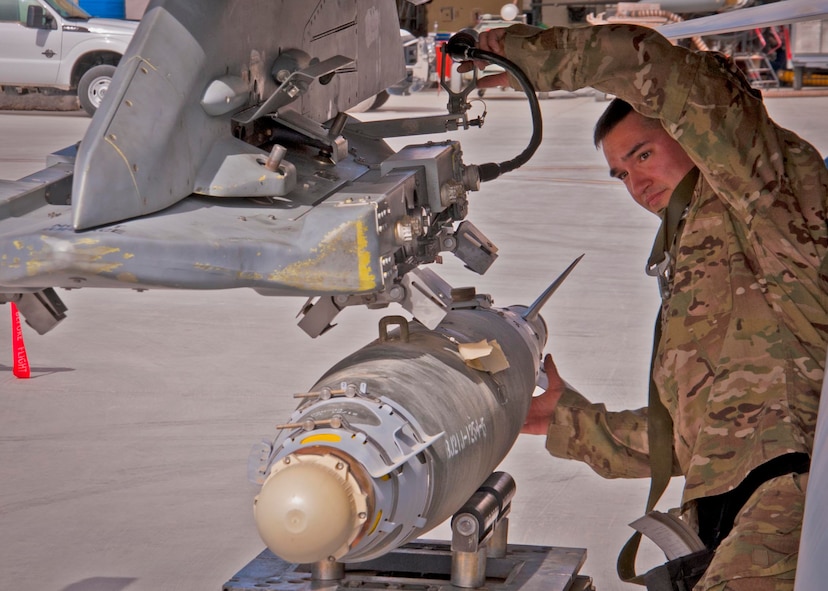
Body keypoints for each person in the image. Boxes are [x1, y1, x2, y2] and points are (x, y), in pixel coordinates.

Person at [464, 23, 828, 591]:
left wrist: (529, 57)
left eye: (644, 154)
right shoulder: (698, 253)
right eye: (621, 173)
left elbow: (674, 78)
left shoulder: (768, 196)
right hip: (731, 510)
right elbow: (692, 438)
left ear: (693, 134)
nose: (635, 181)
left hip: (792, 498)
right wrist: (566, 421)